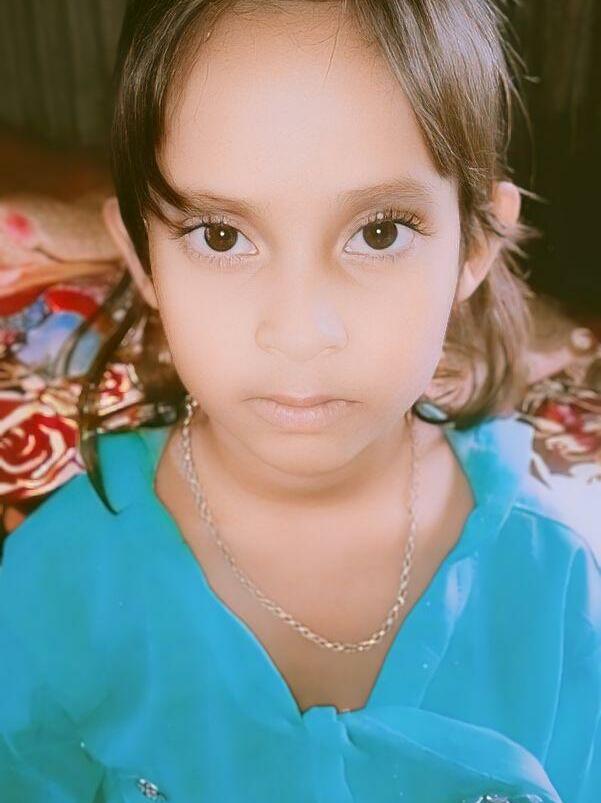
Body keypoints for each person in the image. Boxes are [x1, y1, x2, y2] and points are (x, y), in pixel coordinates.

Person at [0, 1, 599, 801]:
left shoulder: (556, 584)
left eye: (379, 232)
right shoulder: (53, 587)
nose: (299, 331)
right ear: (142, 260)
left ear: (473, 246)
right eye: (221, 236)